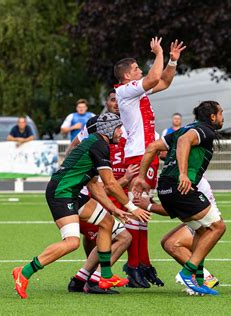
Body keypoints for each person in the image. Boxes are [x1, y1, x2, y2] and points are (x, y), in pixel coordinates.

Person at [12, 113, 151, 299]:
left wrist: (114, 209)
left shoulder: (96, 144)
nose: (121, 132)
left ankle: (106, 277)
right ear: (108, 128)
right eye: (118, 128)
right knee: (72, 242)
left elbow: (94, 185)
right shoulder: (99, 145)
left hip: (72, 193)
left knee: (107, 222)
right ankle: (24, 271)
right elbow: (110, 184)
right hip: (61, 194)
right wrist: (132, 208)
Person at [66, 89, 163, 289]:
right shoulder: (96, 130)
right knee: (115, 234)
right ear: (107, 103)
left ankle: (83, 278)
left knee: (112, 231)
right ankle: (95, 279)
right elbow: (101, 185)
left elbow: (156, 147)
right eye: (113, 100)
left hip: (97, 191)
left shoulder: (135, 126)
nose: (117, 103)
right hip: (93, 192)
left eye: (120, 100)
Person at [133, 101, 226, 296]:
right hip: (179, 186)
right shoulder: (204, 130)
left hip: (164, 187)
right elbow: (185, 141)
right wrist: (183, 174)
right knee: (218, 227)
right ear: (212, 117)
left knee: (201, 229)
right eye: (221, 113)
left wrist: (141, 177)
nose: (222, 117)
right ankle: (188, 272)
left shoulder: (185, 128)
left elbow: (152, 147)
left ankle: (200, 281)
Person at [114, 36, 185, 286]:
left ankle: (142, 263)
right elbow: (155, 77)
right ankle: (134, 266)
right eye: (135, 69)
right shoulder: (124, 90)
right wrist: (158, 53)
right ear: (126, 77)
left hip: (147, 153)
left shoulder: (136, 91)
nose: (140, 71)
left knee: (143, 207)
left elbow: (163, 81)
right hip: (138, 154)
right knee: (136, 207)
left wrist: (173, 60)